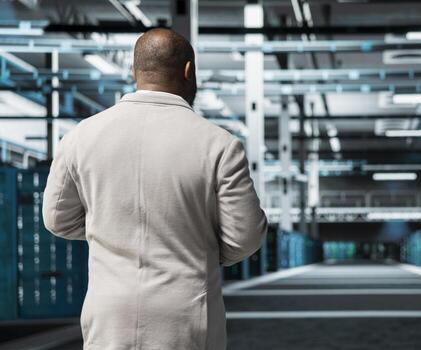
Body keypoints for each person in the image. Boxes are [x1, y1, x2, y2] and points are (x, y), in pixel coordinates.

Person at [42, 28, 268, 350]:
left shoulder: (81, 137)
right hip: (187, 313)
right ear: (188, 71)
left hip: (109, 314)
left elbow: (57, 219)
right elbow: (244, 236)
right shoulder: (219, 145)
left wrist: (108, 230)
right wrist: (200, 248)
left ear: (133, 71)